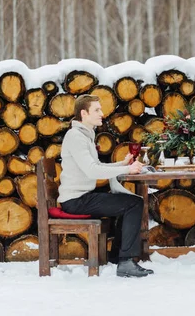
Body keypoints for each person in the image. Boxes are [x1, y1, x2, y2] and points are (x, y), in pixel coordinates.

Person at [58, 94, 153, 278]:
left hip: (81, 197)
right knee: (134, 203)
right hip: (76, 200)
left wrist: (122, 164)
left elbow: (97, 167)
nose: (102, 113)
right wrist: (126, 168)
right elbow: (92, 171)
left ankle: (118, 257)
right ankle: (125, 261)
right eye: (97, 110)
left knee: (129, 202)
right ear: (84, 113)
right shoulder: (76, 137)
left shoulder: (83, 135)